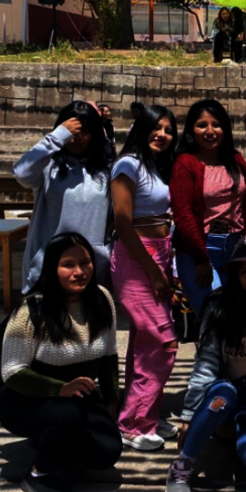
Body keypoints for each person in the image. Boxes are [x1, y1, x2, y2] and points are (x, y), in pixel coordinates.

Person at [0, 233, 122, 492]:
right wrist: (60, 389)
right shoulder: (33, 308)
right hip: (23, 400)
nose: (79, 272)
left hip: (77, 395)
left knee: (106, 452)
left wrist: (111, 400)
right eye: (68, 265)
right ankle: (38, 473)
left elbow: (109, 355)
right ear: (52, 268)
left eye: (85, 262)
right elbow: (12, 372)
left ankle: (53, 443)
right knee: (67, 415)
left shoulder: (102, 299)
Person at [164, 234, 246, 492]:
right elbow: (206, 364)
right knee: (223, 393)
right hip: (226, 394)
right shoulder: (219, 305)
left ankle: (235, 431)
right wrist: (188, 416)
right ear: (234, 274)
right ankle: (183, 465)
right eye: (244, 271)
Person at [110, 104, 179, 451]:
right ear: (142, 128)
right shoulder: (128, 165)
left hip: (159, 254)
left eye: (168, 130)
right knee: (163, 342)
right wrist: (152, 269)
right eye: (157, 127)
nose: (162, 135)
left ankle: (145, 413)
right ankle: (133, 425)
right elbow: (123, 222)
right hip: (136, 258)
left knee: (145, 343)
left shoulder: (156, 166)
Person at [14, 100, 112, 293]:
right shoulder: (47, 167)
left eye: (85, 131)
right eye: (72, 132)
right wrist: (58, 136)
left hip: (92, 269)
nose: (77, 138)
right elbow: (21, 172)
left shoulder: (108, 170)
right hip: (48, 266)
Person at [170, 98, 246, 316]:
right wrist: (201, 259)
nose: (210, 131)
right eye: (202, 125)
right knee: (214, 315)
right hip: (201, 250)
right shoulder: (185, 163)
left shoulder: (236, 159)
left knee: (236, 315)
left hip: (234, 248)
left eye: (216, 125)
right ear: (191, 130)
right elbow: (184, 215)